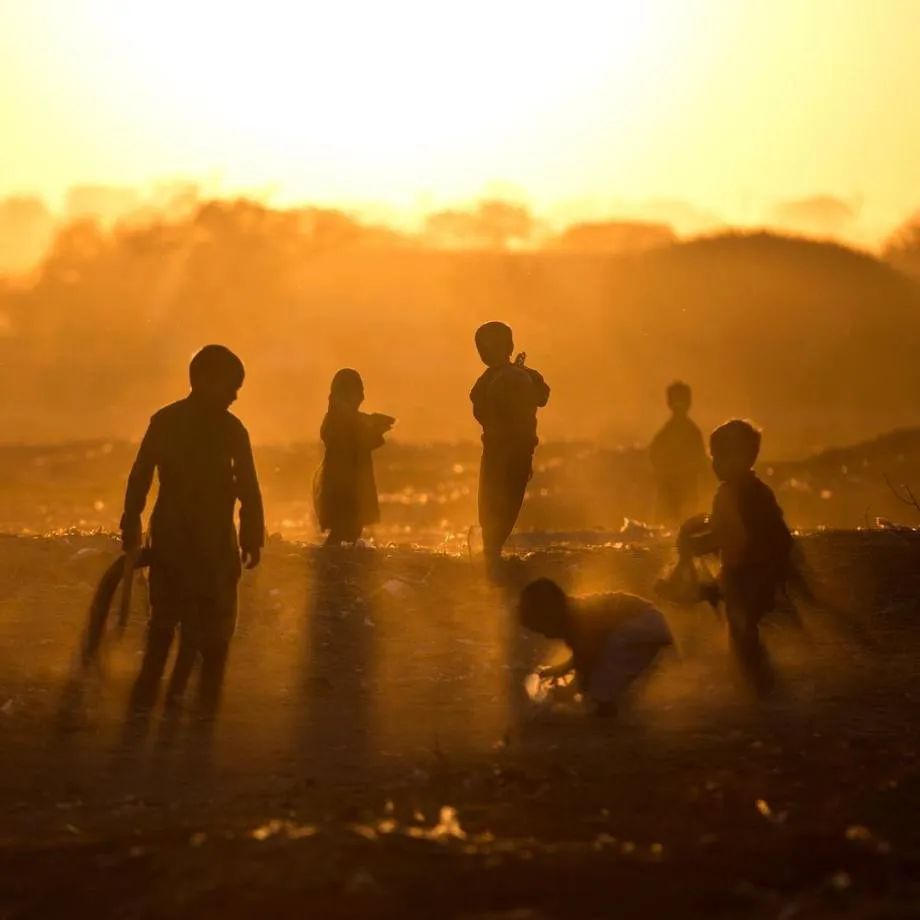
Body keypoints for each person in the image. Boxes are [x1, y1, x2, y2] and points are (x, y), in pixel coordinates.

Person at [121, 344, 264, 719]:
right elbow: (142, 474)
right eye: (231, 386)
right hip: (184, 539)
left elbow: (248, 488)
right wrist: (130, 521)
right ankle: (167, 703)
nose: (235, 395)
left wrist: (252, 534)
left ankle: (181, 705)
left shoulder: (209, 426)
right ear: (203, 381)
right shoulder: (177, 423)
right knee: (171, 623)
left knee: (199, 627)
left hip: (199, 538)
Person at [678, 419, 793, 695]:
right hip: (756, 571)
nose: (716, 465)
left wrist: (696, 546)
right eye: (714, 458)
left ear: (744, 457)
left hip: (747, 574)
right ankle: (755, 683)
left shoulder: (732, 493)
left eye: (722, 458)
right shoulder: (758, 490)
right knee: (743, 630)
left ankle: (758, 686)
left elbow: (730, 534)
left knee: (742, 633)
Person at [518, 578, 673, 717]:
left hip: (646, 624)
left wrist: (572, 689)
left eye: (542, 628)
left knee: (601, 677)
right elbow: (582, 654)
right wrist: (563, 668)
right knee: (604, 665)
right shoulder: (572, 616)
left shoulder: (576, 619)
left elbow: (587, 657)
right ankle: (608, 699)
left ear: (551, 616)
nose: (546, 636)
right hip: (647, 623)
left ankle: (605, 703)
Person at [470, 322, 550, 576]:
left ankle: (491, 554)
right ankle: (492, 553)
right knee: (505, 501)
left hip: (500, 451)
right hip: (515, 451)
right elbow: (543, 396)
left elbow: (479, 408)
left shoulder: (493, 379)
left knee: (492, 501)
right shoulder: (520, 376)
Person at [314, 369, 394, 545]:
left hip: (351, 491)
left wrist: (376, 427)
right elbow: (349, 440)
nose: (362, 397)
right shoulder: (336, 422)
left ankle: (334, 565)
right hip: (343, 492)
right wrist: (373, 428)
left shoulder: (349, 420)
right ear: (346, 394)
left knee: (350, 534)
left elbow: (361, 438)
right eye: (358, 392)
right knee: (343, 532)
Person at [649, 381, 708, 525]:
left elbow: (653, 457)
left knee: (678, 529)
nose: (679, 404)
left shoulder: (682, 432)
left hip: (682, 491)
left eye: (682, 400)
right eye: (677, 400)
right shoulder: (682, 432)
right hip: (672, 490)